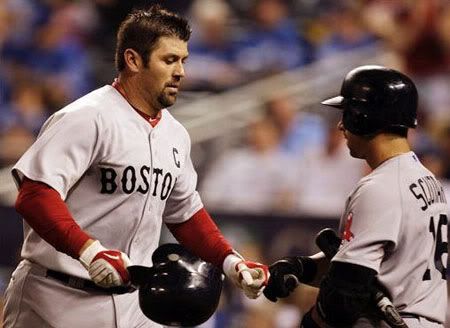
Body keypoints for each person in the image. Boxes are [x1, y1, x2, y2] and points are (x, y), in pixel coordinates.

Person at [2, 6, 268, 328]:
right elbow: (34, 194)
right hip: (56, 295)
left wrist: (230, 261)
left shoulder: (175, 134)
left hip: (134, 304)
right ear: (133, 60)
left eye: (183, 60)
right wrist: (88, 251)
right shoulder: (88, 117)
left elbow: (185, 214)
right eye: (169, 60)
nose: (181, 71)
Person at [263, 65, 448, 327]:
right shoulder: (429, 180)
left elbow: (345, 294)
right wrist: (301, 267)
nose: (340, 125)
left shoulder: (381, 187)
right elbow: (370, 266)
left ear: (365, 118)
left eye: (347, 113)